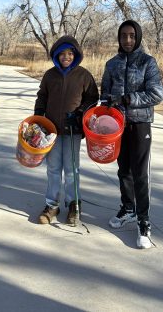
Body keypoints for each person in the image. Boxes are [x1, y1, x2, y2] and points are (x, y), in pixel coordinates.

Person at [101, 20, 163, 249]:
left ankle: (143, 220)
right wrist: (105, 110)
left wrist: (128, 99)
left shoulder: (148, 62)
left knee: (140, 173)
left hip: (140, 124)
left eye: (131, 35)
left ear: (137, 37)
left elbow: (156, 94)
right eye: (123, 36)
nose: (127, 40)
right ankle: (127, 208)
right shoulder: (111, 64)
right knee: (123, 170)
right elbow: (105, 94)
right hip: (117, 125)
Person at [34, 36, 99, 226]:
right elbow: (42, 97)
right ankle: (51, 205)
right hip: (51, 130)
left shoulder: (83, 75)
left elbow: (92, 99)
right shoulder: (50, 75)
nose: (66, 57)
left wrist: (80, 114)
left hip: (73, 130)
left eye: (70, 53)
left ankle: (73, 204)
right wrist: (39, 118)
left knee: (71, 169)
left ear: (76, 55)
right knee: (53, 168)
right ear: (56, 55)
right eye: (62, 54)